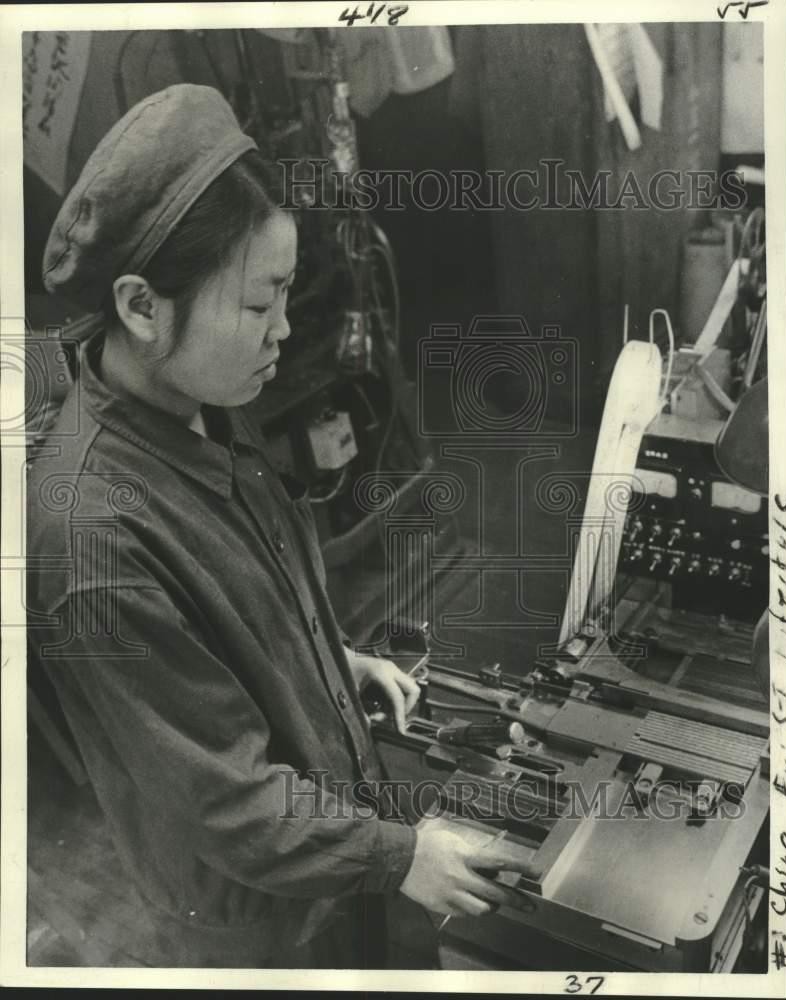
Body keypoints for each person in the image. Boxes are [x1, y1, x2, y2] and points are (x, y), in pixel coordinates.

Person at [27, 84, 539, 969]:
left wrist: (330, 660)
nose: (284, 330)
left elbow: (252, 594)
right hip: (259, 924)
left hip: (336, 836)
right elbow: (224, 803)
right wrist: (402, 855)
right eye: (259, 307)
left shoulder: (199, 396)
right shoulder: (94, 543)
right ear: (143, 307)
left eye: (284, 295)